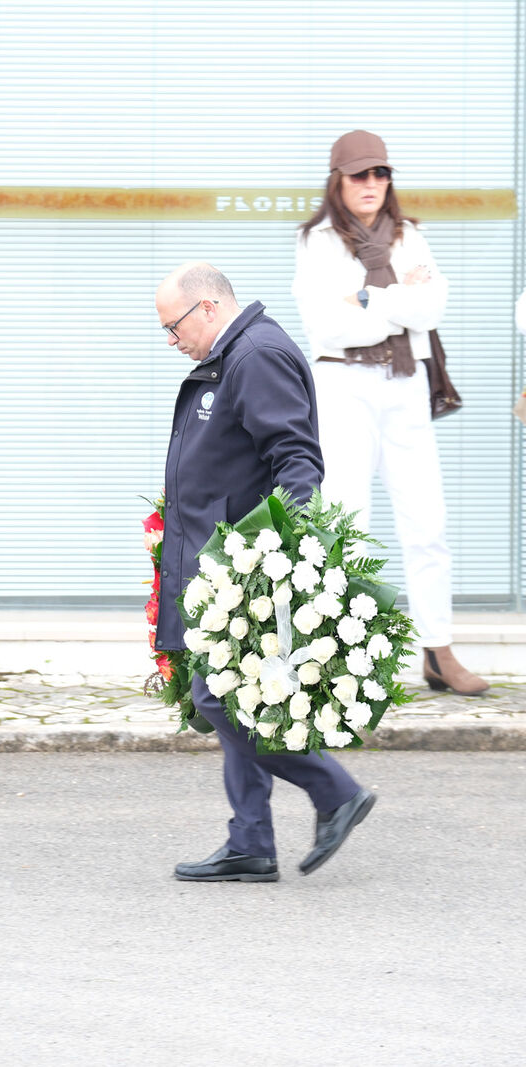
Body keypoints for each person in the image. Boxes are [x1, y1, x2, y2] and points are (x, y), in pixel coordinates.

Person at [154, 261, 376, 882]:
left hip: (244, 572)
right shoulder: (232, 357)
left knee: (222, 698)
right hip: (215, 564)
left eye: (173, 328)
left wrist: (276, 560)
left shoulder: (255, 356)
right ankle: (251, 841)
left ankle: (333, 790)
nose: (172, 342)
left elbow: (298, 461)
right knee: (234, 695)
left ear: (206, 309)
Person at [292, 130, 488, 697]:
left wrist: (369, 298)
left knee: (428, 522)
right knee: (348, 523)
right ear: (338, 180)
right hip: (343, 383)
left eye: (380, 173)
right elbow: (326, 326)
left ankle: (438, 650)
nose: (371, 184)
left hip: (404, 383)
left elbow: (434, 308)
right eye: (359, 174)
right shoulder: (317, 241)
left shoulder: (410, 236)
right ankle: (342, 656)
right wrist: (399, 300)